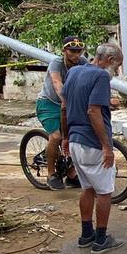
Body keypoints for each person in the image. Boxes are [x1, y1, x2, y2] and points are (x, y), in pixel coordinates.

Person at [59, 43, 125, 254]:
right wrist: (107, 147)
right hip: (92, 143)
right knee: (104, 192)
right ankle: (101, 239)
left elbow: (64, 107)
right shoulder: (102, 77)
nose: (116, 71)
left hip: (76, 141)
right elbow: (93, 111)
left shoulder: (75, 71)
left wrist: (66, 137)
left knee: (87, 188)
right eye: (117, 65)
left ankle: (86, 234)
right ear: (109, 60)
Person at [36, 36, 89, 190]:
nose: (76, 55)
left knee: (76, 136)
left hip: (69, 104)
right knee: (56, 137)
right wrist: (66, 99)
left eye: (79, 51)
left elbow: (91, 79)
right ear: (64, 51)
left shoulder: (83, 63)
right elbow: (57, 83)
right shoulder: (56, 63)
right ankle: (51, 174)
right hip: (49, 104)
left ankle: (72, 175)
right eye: (73, 51)